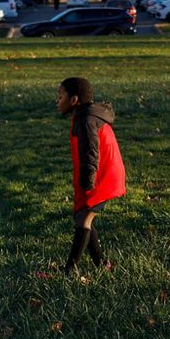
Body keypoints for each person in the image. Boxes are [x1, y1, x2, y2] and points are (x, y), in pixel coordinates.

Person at [55, 77, 126, 274]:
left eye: (60, 96)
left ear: (74, 99)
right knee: (82, 217)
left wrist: (87, 182)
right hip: (98, 175)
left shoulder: (86, 121)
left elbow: (91, 153)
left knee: (85, 219)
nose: (57, 101)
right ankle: (103, 266)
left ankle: (69, 270)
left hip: (104, 178)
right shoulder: (84, 116)